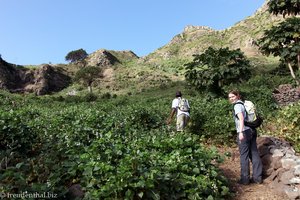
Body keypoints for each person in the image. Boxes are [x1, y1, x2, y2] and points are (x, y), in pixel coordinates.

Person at [228, 90, 263, 185]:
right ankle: (257, 178)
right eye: (230, 97)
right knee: (254, 153)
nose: (231, 99)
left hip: (244, 132)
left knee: (244, 156)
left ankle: (245, 179)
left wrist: (240, 132)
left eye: (233, 96)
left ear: (237, 96)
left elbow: (241, 118)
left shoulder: (237, 106)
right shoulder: (244, 104)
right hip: (252, 130)